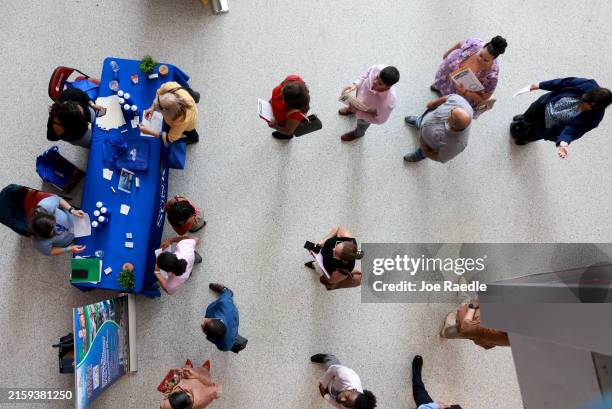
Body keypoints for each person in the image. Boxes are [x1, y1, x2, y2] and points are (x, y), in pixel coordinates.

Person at [510, 78, 612, 158]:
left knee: (535, 134)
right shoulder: (588, 84)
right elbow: (564, 82)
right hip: (546, 105)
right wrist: (540, 85)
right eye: (586, 101)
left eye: (590, 106)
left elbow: (573, 130)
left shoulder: (594, 119)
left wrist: (564, 142)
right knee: (530, 113)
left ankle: (526, 139)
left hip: (550, 126)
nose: (585, 105)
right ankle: (524, 119)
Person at [431, 36, 507, 117]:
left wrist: (465, 92)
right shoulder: (475, 43)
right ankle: (439, 88)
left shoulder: (492, 76)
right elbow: (460, 43)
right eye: (480, 55)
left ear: (494, 59)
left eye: (486, 60)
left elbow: (484, 98)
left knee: (449, 107)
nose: (480, 60)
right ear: (483, 47)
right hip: (447, 75)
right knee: (441, 86)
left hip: (462, 92)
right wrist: (448, 52)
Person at [403, 95, 473, 163]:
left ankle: (420, 154)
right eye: (453, 109)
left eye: (451, 113)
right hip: (426, 121)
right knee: (424, 120)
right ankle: (419, 121)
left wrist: (426, 151)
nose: (451, 109)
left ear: (453, 124)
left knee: (422, 152)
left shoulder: (457, 145)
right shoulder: (459, 102)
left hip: (427, 146)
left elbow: (440, 158)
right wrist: (433, 104)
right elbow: (448, 97)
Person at [338, 65, 399, 141]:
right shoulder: (378, 68)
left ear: (387, 87)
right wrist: (355, 84)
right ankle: (351, 110)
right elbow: (367, 73)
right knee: (353, 104)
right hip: (359, 97)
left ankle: (358, 134)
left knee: (362, 125)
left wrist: (358, 112)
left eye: (380, 83)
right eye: (377, 77)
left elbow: (380, 120)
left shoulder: (388, 103)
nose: (374, 82)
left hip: (365, 115)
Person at [20, 188, 87, 256]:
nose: (55, 228)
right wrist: (68, 249)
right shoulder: (39, 242)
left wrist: (72, 210)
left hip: (75, 219)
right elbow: (49, 251)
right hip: (68, 240)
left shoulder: (46, 205)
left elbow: (58, 199)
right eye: (52, 230)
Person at [304, 226, 362, 290]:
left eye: (335, 252)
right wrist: (322, 242)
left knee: (319, 269)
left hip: (327, 268)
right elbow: (339, 229)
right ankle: (316, 264)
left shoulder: (346, 268)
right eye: (337, 246)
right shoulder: (348, 239)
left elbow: (331, 280)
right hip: (322, 256)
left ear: (342, 260)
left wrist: (319, 264)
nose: (333, 249)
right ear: (344, 242)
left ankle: (315, 265)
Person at [311, 354, 377, 409]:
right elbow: (332, 369)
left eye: (346, 404)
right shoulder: (346, 375)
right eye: (347, 397)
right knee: (330, 361)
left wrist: (325, 395)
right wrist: (323, 384)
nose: (342, 399)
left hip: (333, 387)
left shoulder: (350, 405)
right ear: (353, 389)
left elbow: (338, 405)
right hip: (335, 372)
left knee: (334, 394)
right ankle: (326, 357)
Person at [201, 283, 246, 353]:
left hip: (231, 323)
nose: (202, 323)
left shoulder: (224, 345)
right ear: (217, 320)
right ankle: (223, 290)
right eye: (207, 321)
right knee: (227, 294)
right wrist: (225, 291)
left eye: (203, 327)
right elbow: (227, 295)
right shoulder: (225, 304)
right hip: (231, 321)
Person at [268, 75, 310, 139]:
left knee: (288, 131)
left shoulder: (295, 114)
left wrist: (275, 126)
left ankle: (286, 136)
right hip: (282, 116)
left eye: (282, 97)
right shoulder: (291, 80)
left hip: (284, 123)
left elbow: (288, 131)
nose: (279, 94)